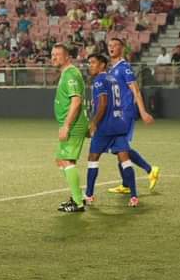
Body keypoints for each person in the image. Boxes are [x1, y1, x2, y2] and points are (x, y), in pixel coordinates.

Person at [105, 37, 160, 194]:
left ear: (122, 49)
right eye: (110, 45)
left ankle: (150, 170)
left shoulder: (124, 67)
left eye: (115, 45)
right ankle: (126, 184)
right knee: (119, 149)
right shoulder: (112, 69)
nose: (112, 47)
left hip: (125, 113)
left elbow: (135, 90)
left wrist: (143, 112)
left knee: (121, 148)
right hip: (116, 114)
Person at [83, 54, 140, 207]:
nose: (90, 65)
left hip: (105, 126)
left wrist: (94, 123)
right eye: (90, 63)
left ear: (102, 65)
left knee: (93, 158)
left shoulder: (99, 80)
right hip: (118, 124)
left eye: (93, 63)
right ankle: (134, 196)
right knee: (125, 159)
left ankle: (89, 195)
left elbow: (102, 103)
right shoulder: (113, 79)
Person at [51, 44, 88, 213]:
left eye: (57, 55)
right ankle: (77, 197)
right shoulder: (66, 73)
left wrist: (66, 125)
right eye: (52, 54)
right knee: (60, 159)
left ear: (67, 57)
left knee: (67, 161)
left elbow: (76, 101)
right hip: (69, 123)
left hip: (73, 124)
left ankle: (78, 202)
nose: (54, 57)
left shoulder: (71, 74)